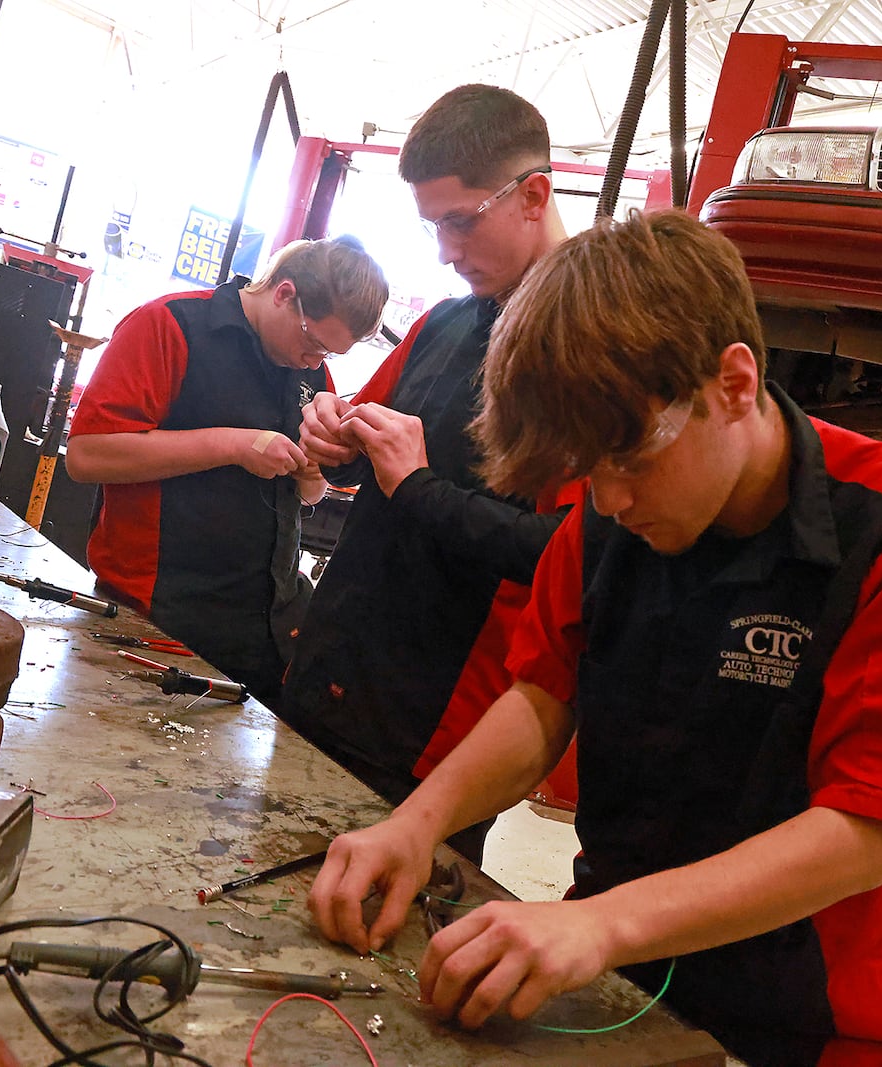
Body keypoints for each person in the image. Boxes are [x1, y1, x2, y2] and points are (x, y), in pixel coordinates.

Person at [306, 210, 882, 1066]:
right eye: (586, 475)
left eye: (629, 462)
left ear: (733, 385)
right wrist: (415, 826)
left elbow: (866, 831)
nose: (611, 500)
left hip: (800, 1021)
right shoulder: (601, 515)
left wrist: (599, 922)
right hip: (609, 980)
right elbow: (542, 698)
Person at [280, 85, 577, 863]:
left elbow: (572, 555)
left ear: (533, 195)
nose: (445, 249)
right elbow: (357, 456)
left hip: (435, 726)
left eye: (460, 220)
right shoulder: (444, 322)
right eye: (432, 225)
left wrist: (418, 488)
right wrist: (331, 435)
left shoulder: (590, 357)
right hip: (332, 668)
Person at [66, 237, 387, 711]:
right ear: (283, 293)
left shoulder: (309, 373)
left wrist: (313, 467)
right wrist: (233, 446)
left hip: (264, 627)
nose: (316, 361)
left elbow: (310, 496)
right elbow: (87, 455)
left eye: (331, 355)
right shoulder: (169, 325)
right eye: (314, 342)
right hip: (157, 617)